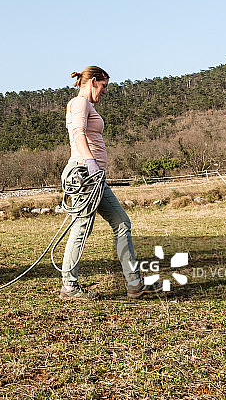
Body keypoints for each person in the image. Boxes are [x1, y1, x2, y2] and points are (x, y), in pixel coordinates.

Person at [60, 66, 157, 300]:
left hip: (95, 177)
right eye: (103, 87)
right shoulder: (79, 103)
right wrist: (91, 161)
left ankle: (134, 283)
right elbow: (77, 133)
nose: (104, 92)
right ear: (93, 81)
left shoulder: (88, 105)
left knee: (122, 223)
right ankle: (69, 286)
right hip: (84, 173)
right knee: (82, 227)